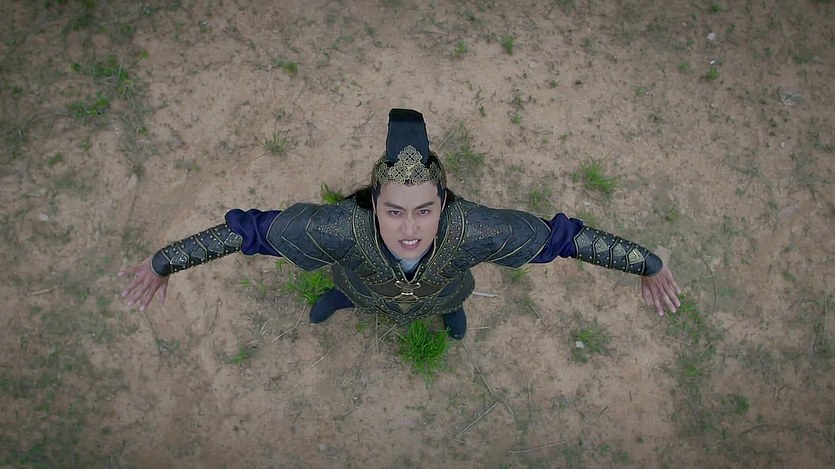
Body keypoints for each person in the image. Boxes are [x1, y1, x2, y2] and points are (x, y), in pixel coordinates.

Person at [120, 109, 681, 340]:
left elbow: (564, 239)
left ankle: (450, 312)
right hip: (361, 283)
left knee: (447, 301)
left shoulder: (478, 230)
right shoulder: (338, 229)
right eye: (394, 211)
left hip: (444, 287)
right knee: (348, 291)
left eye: (424, 210)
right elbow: (250, 231)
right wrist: (167, 262)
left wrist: (646, 264)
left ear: (444, 202)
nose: (409, 229)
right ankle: (342, 301)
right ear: (373, 203)